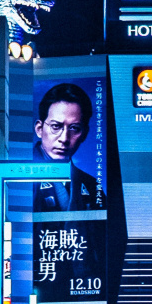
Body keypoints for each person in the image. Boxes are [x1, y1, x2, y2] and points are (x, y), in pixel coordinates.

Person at [32, 83, 100, 211]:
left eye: (74, 128)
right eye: (56, 126)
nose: (64, 138)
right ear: (39, 129)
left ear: (84, 134)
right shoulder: (19, 177)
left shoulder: (93, 186)